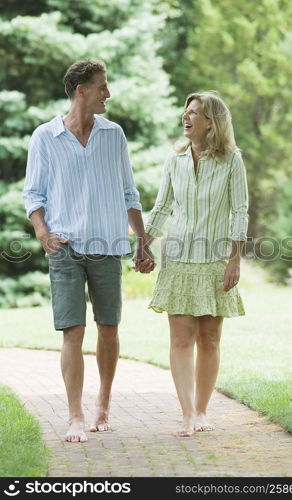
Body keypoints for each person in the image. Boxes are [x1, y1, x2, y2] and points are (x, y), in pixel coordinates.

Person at [23, 59, 155, 443]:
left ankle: (104, 404)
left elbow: (129, 192)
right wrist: (44, 234)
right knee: (72, 331)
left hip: (107, 243)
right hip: (64, 246)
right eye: (101, 87)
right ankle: (75, 415)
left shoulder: (113, 135)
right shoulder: (44, 138)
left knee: (109, 327)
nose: (107, 94)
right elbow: (33, 195)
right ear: (81, 89)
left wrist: (142, 241)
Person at [143, 91, 249, 436]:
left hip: (216, 259)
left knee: (210, 339)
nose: (186, 118)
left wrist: (235, 258)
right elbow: (161, 208)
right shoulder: (174, 161)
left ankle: (202, 410)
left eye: (194, 113)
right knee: (180, 339)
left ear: (211, 122)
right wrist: (144, 244)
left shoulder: (232, 160)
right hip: (178, 260)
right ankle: (187, 412)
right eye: (185, 112)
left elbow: (239, 210)